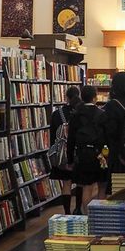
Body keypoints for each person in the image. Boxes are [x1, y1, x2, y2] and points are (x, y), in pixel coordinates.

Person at [67, 84, 105, 214]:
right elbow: (105, 137)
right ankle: (100, 216)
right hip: (99, 155)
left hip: (83, 154)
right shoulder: (101, 114)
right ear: (95, 98)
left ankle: (88, 216)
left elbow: (70, 139)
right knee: (102, 186)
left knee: (87, 187)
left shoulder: (76, 115)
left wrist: (70, 159)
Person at [49, 84, 81, 215]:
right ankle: (78, 209)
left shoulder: (58, 114)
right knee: (80, 183)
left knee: (66, 184)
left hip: (63, 154)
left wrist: (54, 153)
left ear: (66, 97)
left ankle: (67, 212)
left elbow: (52, 135)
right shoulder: (81, 112)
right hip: (78, 153)